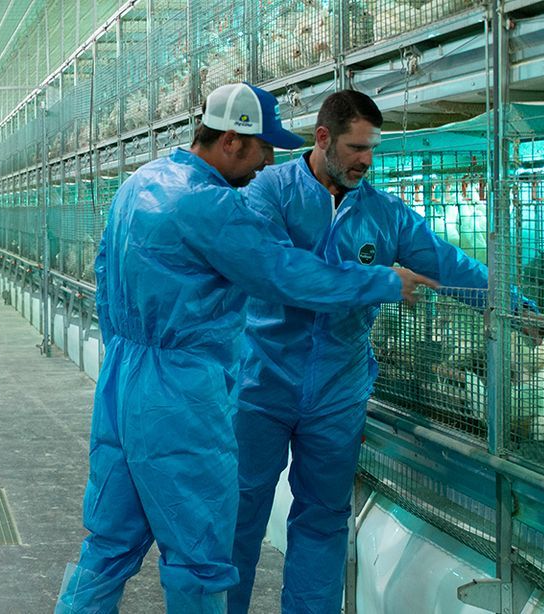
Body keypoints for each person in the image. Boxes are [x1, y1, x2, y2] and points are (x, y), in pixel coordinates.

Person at [55, 82, 440, 614]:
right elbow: (284, 274)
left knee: (109, 542)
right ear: (233, 141)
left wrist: (137, 346)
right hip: (179, 396)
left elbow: (103, 273)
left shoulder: (139, 183)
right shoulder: (210, 205)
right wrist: (384, 283)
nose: (267, 162)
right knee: (198, 555)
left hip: (122, 376)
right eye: (263, 148)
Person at [227, 90, 544, 613]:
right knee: (239, 511)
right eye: (357, 148)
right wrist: (378, 281)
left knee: (323, 518)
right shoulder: (270, 193)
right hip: (263, 380)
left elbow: (448, 267)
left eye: (373, 149)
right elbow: (280, 276)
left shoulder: (383, 214)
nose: (367, 161)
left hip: (338, 387)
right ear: (323, 139)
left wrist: (515, 307)